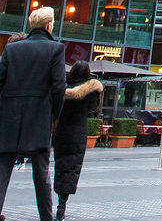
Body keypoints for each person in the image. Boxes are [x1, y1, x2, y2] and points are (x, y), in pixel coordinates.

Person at [0, 6, 66, 221]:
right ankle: (46, 218)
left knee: (3, 169)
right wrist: (53, 115)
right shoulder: (55, 49)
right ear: (49, 25)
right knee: (41, 174)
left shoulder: (13, 49)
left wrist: (6, 105)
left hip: (10, 116)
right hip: (39, 117)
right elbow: (58, 88)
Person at [51, 61, 102, 220]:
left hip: (62, 131)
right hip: (78, 132)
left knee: (60, 165)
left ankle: (59, 199)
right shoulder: (91, 90)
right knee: (72, 167)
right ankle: (62, 205)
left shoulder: (63, 87)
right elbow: (92, 109)